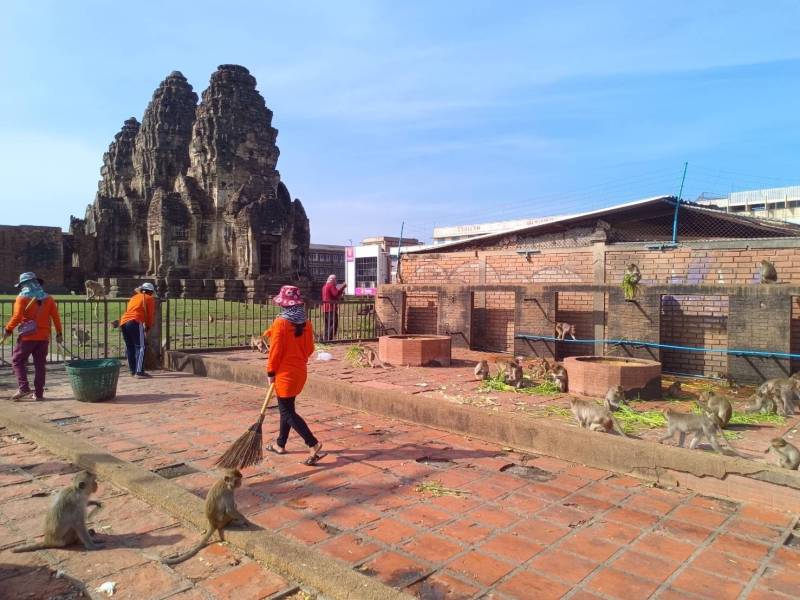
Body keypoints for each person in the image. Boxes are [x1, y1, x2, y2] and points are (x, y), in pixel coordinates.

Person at [263, 285, 325, 465]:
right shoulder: (306, 323)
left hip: (284, 374)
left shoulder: (281, 323)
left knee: (287, 411)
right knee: (287, 408)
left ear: (284, 304)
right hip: (299, 371)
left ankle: (312, 443)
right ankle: (280, 444)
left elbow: (275, 351)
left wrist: (271, 372)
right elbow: (310, 349)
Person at [2, 272, 63, 401]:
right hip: (43, 337)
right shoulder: (48, 299)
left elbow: (17, 317)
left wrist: (8, 329)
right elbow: (56, 317)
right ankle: (39, 393)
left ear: (24, 285)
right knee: (40, 365)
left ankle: (24, 387)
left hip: (28, 337)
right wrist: (59, 333)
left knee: (17, 360)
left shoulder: (22, 298)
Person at [119, 282, 156, 378]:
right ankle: (139, 372)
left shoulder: (134, 297)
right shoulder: (149, 298)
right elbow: (150, 314)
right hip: (135, 321)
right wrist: (148, 326)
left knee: (130, 347)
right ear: (151, 292)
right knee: (141, 347)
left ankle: (133, 371)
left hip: (123, 322)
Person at [321, 274, 346, 341]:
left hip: (325, 308)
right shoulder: (331, 286)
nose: (336, 281)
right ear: (333, 280)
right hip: (331, 308)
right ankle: (329, 339)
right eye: (335, 280)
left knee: (327, 325)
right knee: (334, 324)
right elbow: (336, 294)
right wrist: (342, 287)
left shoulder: (324, 286)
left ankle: (326, 339)